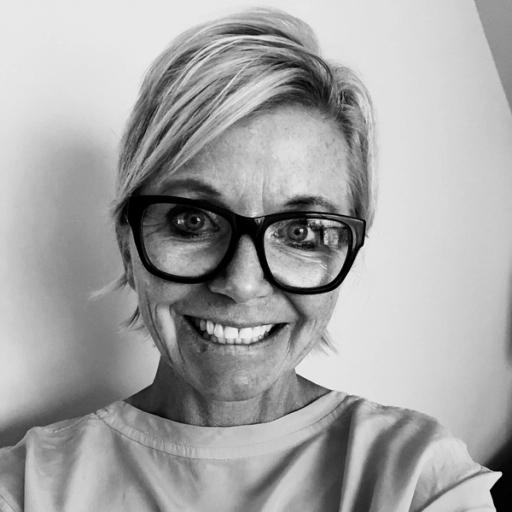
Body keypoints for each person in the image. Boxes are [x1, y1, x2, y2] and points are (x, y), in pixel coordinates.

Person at [0, 7, 501, 512]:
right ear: (129, 243)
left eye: (302, 232)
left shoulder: (416, 477)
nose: (241, 283)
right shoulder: (27, 486)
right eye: (192, 221)